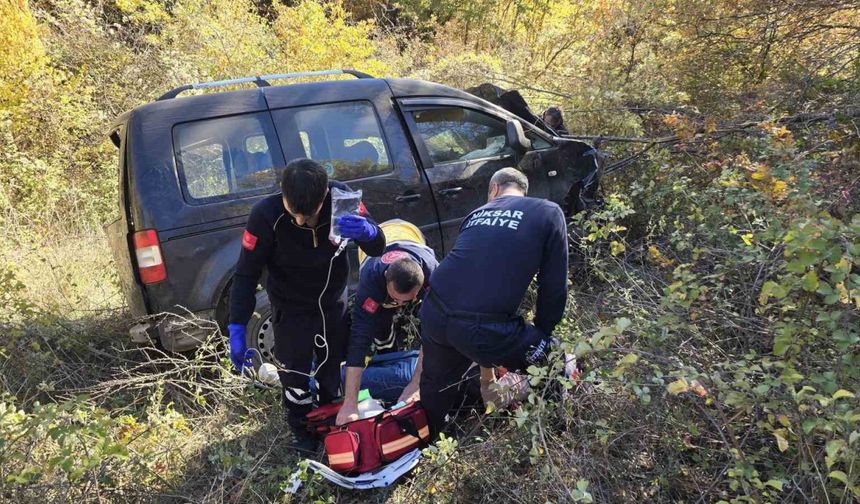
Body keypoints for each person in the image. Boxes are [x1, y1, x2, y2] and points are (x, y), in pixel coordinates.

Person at [227, 158, 386, 452]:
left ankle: (332, 424)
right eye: (294, 213)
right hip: (290, 307)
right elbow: (246, 274)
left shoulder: (342, 199)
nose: (301, 222)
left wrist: (369, 233)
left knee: (332, 371)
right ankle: (302, 433)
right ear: (282, 192)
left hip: (333, 304)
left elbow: (378, 247)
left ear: (325, 194)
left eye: (309, 215)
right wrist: (236, 326)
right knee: (294, 377)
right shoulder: (265, 215)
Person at [418, 167, 570, 437]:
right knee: (553, 358)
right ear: (522, 192)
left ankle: (431, 441)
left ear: (494, 190)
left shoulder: (476, 214)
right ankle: (557, 434)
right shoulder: (548, 211)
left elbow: (473, 287)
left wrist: (487, 374)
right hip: (480, 327)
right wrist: (542, 336)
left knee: (436, 383)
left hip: (434, 310)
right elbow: (553, 286)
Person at [336, 222, 439, 426]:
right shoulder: (371, 281)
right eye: (395, 299)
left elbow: (436, 328)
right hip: (379, 242)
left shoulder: (434, 273)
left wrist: (416, 384)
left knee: (431, 319)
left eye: (406, 301)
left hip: (410, 232)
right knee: (381, 326)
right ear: (386, 280)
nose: (399, 305)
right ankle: (388, 354)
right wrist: (350, 404)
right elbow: (359, 339)